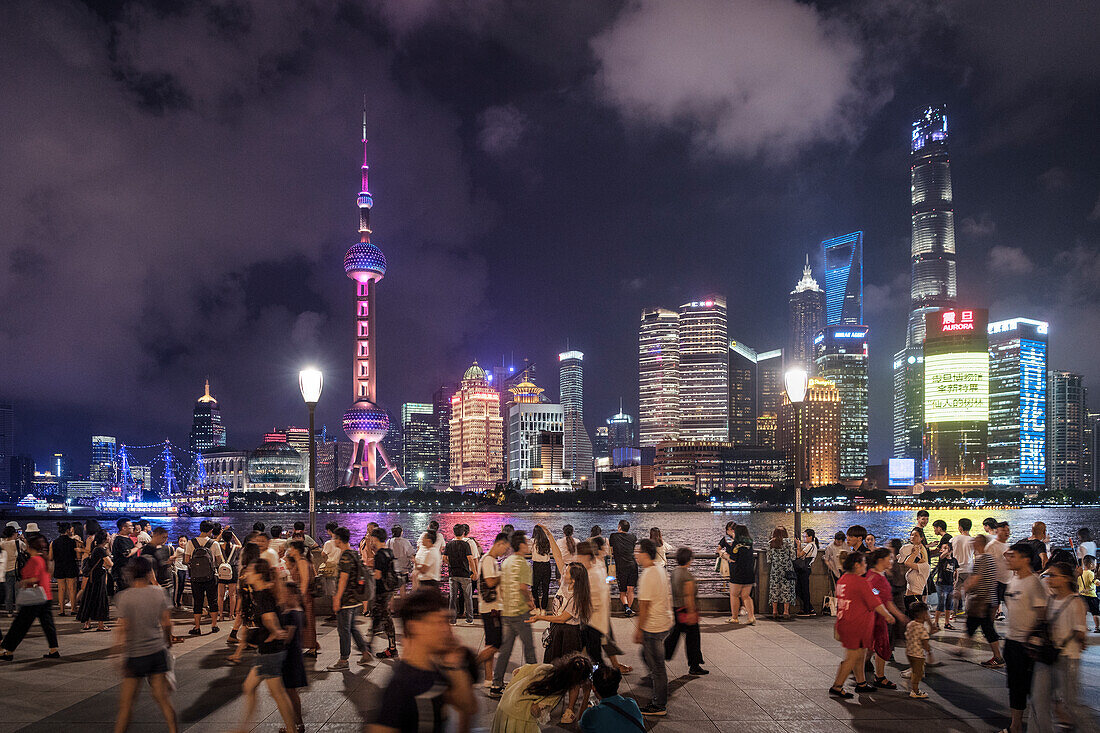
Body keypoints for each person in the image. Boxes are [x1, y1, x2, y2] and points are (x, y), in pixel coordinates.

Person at [368, 589, 477, 733]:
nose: (447, 630)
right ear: (415, 627)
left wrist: (453, 664)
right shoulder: (401, 686)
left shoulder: (436, 670)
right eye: (439, 622)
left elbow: (468, 706)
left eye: (447, 622)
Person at [113, 555, 177, 733]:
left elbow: (122, 629)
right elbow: (166, 623)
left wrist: (117, 653)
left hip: (135, 654)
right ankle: (174, 730)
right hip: (157, 651)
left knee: (126, 706)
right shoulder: (159, 592)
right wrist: (168, 641)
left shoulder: (124, 597)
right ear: (150, 572)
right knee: (163, 699)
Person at [234, 558, 297, 733]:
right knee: (249, 687)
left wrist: (276, 630)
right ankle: (244, 728)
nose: (246, 574)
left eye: (250, 572)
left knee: (278, 694)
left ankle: (292, 730)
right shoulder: (266, 591)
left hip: (270, 652)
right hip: (267, 650)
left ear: (259, 576)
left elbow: (269, 617)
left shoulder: (262, 594)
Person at [829, 552, 893, 698]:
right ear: (857, 565)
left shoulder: (843, 579)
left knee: (860, 654)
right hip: (856, 625)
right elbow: (875, 603)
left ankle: (861, 683)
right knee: (852, 657)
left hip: (845, 621)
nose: (866, 565)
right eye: (864, 562)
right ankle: (837, 686)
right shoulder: (860, 582)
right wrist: (888, 616)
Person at [1002, 542, 1050, 733]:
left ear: (1026, 559)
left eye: (1014, 556)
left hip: (1027, 646)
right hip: (1012, 641)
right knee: (1015, 687)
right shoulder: (1013, 580)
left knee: (1032, 689)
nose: (1009, 558)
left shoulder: (1034, 583)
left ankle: (1043, 726)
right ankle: (1015, 726)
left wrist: (1034, 640)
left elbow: (1042, 614)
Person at [489, 652, 591, 733]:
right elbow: (535, 710)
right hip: (519, 719)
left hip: (503, 707)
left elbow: (516, 672)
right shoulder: (557, 689)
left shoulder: (547, 668)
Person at [490, 531, 536, 697]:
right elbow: (523, 588)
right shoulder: (523, 564)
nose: (528, 545)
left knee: (505, 651)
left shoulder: (507, 562)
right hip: (520, 612)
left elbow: (502, 586)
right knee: (529, 649)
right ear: (521, 545)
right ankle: (534, 683)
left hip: (507, 611)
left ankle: (496, 684)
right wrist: (531, 602)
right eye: (526, 542)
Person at [0, 534, 60, 660]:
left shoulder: (34, 560)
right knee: (48, 625)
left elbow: (35, 578)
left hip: (34, 598)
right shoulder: (43, 559)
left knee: (20, 625)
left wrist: (23, 582)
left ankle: (8, 650)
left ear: (30, 546)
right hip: (45, 596)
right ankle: (53, 649)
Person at [634, 537, 672, 717]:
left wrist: (638, 630)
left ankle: (659, 704)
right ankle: (656, 682)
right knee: (646, 654)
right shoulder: (660, 569)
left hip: (653, 626)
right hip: (664, 621)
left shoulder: (648, 574)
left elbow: (644, 606)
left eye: (637, 552)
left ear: (645, 554)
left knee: (658, 667)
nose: (636, 556)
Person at [954, 534, 1004, 668]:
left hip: (983, 601)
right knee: (973, 625)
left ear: (979, 543)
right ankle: (962, 650)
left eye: (974, 541)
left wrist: (961, 590)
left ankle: (998, 657)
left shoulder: (983, 559)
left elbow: (976, 579)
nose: (972, 543)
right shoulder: (988, 559)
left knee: (987, 629)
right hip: (986, 600)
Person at [327, 526, 371, 671]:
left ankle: (343, 660)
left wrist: (336, 599)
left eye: (334, 538)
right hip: (356, 598)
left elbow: (343, 580)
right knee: (352, 627)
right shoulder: (354, 554)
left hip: (346, 600)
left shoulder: (345, 556)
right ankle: (365, 652)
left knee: (344, 630)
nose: (334, 541)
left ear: (338, 540)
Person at [863, 548, 905, 690]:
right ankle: (879, 677)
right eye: (890, 558)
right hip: (877, 618)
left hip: (875, 617)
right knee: (881, 646)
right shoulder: (877, 578)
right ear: (881, 560)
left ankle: (861, 670)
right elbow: (880, 599)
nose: (892, 561)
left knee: (872, 646)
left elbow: (878, 595)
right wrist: (896, 615)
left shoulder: (875, 575)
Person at [665, 546, 707, 675]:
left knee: (676, 635)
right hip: (686, 611)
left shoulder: (675, 572)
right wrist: (692, 612)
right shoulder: (687, 575)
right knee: (692, 638)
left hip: (677, 608)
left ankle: (661, 655)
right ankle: (694, 665)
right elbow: (689, 596)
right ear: (689, 559)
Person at [477, 532, 509, 685]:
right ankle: (467, 667)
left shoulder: (487, 559)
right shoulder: (489, 560)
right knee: (497, 644)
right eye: (505, 548)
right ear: (499, 544)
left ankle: (489, 679)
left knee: (490, 644)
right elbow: (490, 582)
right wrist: (504, 574)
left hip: (488, 607)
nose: (505, 551)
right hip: (492, 609)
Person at [185, 520, 224, 635]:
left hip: (195, 577)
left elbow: (186, 560)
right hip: (211, 577)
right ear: (211, 531)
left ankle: (197, 627)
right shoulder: (214, 543)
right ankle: (214, 625)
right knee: (213, 600)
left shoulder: (191, 542)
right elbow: (219, 561)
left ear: (200, 529)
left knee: (198, 601)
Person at [579, 663, 643, 733]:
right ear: (617, 685)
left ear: (593, 688)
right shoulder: (631, 703)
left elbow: (581, 727)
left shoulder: (592, 714)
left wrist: (586, 694)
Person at [280, 579, 308, 733]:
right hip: (295, 655)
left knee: (289, 692)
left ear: (293, 596)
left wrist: (275, 635)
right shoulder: (299, 611)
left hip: (290, 657)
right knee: (291, 692)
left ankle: (294, 724)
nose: (283, 597)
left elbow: (288, 637)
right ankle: (296, 723)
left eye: (285, 594)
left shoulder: (292, 613)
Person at [366, 528, 399, 659]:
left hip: (380, 591)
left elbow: (378, 575)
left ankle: (368, 647)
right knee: (385, 619)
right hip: (388, 590)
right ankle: (390, 647)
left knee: (380, 619)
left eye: (372, 538)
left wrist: (369, 574)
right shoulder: (388, 552)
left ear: (375, 538)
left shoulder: (380, 555)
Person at [285, 541, 318, 656]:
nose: (289, 551)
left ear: (295, 550)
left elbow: (305, 581)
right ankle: (311, 646)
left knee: (308, 622)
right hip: (301, 596)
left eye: (291, 548)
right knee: (305, 622)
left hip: (304, 596)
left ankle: (312, 647)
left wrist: (301, 597)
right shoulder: (299, 561)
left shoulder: (302, 562)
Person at [77, 529, 112, 631]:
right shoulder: (101, 550)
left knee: (90, 598)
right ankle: (100, 625)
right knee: (100, 600)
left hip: (92, 578)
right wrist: (105, 567)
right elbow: (110, 563)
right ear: (105, 538)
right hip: (99, 578)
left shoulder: (95, 548)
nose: (109, 537)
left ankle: (87, 623)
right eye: (108, 536)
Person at [723, 523, 756, 625]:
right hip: (749, 572)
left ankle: (734, 617)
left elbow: (732, 559)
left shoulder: (736, 543)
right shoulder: (750, 543)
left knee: (734, 595)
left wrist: (723, 554)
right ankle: (751, 617)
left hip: (738, 572)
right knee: (746, 596)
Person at [445, 524, 476, 623]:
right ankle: (469, 618)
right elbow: (470, 559)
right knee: (468, 597)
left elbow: (444, 558)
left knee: (452, 598)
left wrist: (451, 563)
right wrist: (474, 571)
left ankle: (452, 619)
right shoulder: (465, 544)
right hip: (464, 573)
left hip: (453, 573)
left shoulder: (449, 544)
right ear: (463, 533)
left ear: (453, 532)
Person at [609, 520, 638, 616]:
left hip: (621, 566)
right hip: (633, 565)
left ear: (619, 527)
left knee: (622, 591)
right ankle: (629, 609)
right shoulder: (633, 537)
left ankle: (627, 608)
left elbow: (611, 549)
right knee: (631, 589)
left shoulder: (613, 536)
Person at [50, 522, 80, 617]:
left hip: (59, 566)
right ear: (67, 530)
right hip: (70, 565)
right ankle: (73, 609)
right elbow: (78, 557)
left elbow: (50, 557)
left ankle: (61, 610)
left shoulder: (53, 542)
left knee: (61, 589)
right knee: (72, 588)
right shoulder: (73, 542)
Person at [904, 602, 932, 700]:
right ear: (923, 615)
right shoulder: (922, 629)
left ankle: (909, 679)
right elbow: (925, 644)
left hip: (909, 652)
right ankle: (915, 691)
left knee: (914, 669)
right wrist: (929, 653)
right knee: (918, 673)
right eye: (927, 613)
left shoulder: (910, 624)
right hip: (918, 655)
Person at [767, 526, 795, 619]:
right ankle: (786, 612)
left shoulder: (771, 542)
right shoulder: (788, 542)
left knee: (775, 589)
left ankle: (775, 611)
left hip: (775, 570)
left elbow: (768, 559)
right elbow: (793, 556)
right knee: (786, 589)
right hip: (787, 569)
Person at [901, 528, 930, 613]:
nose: (912, 537)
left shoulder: (920, 549)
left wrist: (914, 553)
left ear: (921, 538)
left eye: (916, 535)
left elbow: (907, 563)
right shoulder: (912, 549)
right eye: (912, 535)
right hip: (908, 598)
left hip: (915, 599)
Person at [215, 529, 242, 623]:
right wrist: (234, 535)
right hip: (232, 571)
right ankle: (231, 615)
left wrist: (221, 534)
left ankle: (221, 615)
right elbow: (240, 545)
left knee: (220, 595)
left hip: (222, 571)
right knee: (232, 594)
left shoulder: (218, 546)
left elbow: (214, 542)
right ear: (231, 538)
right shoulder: (235, 547)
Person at [988, 521, 1011, 619]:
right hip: (996, 582)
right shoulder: (991, 546)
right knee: (992, 609)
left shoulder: (1007, 545)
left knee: (1013, 607)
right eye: (1003, 530)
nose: (1006, 532)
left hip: (1008, 581)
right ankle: (989, 630)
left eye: (1008, 530)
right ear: (997, 531)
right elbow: (987, 565)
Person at [794, 528, 819, 616]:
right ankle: (810, 608)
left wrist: (798, 545)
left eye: (805, 536)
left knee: (802, 590)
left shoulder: (810, 546)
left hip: (804, 570)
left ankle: (807, 610)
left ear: (811, 537)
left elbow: (799, 555)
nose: (804, 538)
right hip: (806, 569)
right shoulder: (813, 546)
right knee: (803, 589)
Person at [387, 525, 415, 600]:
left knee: (392, 590)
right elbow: (411, 554)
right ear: (401, 533)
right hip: (403, 569)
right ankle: (403, 607)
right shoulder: (405, 542)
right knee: (403, 589)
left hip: (393, 569)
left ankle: (391, 608)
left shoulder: (389, 541)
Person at [318, 522, 342, 609]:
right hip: (340, 568)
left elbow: (323, 554)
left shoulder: (329, 543)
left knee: (333, 593)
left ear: (329, 531)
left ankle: (335, 612)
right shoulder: (342, 542)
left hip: (331, 570)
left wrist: (326, 561)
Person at [111, 518, 139, 593]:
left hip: (129, 570)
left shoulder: (126, 538)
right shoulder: (120, 540)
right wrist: (137, 547)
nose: (133, 527)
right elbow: (126, 553)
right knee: (125, 592)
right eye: (131, 526)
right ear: (124, 528)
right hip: (123, 572)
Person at [529, 525, 553, 613]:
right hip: (547, 565)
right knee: (545, 588)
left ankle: (537, 608)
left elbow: (528, 550)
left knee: (534, 588)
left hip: (537, 566)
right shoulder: (547, 541)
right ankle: (544, 609)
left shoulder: (532, 541)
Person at [2, 525, 23, 615]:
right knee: (18, 591)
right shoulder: (17, 543)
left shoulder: (1, 544)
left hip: (6, 569)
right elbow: (26, 549)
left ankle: (9, 611)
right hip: (16, 568)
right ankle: (18, 610)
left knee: (8, 591)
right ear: (13, 534)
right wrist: (22, 539)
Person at [1080, 555, 1100, 632]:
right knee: (1095, 613)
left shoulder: (1080, 573)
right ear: (1091, 565)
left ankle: (1085, 627)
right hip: (1091, 596)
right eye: (1095, 563)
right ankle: (1097, 628)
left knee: (1083, 613)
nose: (1096, 565)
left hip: (1082, 596)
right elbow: (1095, 582)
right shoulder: (1090, 573)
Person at [171, 536, 188, 608]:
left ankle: (178, 602)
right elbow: (187, 553)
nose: (182, 543)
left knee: (182, 587)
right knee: (177, 587)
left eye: (184, 541)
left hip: (184, 569)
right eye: (181, 541)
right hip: (178, 569)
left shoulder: (186, 549)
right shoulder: (179, 549)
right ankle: (175, 602)